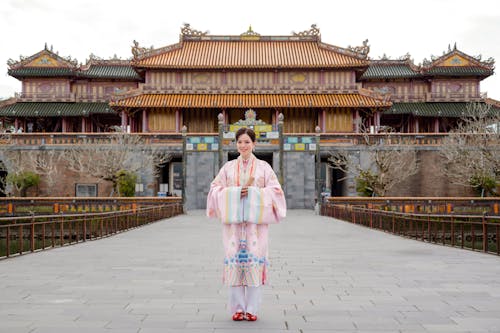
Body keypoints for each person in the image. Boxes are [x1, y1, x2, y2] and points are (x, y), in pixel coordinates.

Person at [207, 127, 286, 322]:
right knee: (234, 264)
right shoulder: (227, 168)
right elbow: (215, 188)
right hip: (233, 229)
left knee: (253, 264)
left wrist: (253, 193)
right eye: (240, 142)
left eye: (247, 142)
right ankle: (237, 308)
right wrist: (234, 193)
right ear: (236, 144)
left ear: (254, 144)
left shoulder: (264, 168)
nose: (243, 146)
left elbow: (276, 191)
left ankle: (251, 308)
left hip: (255, 228)